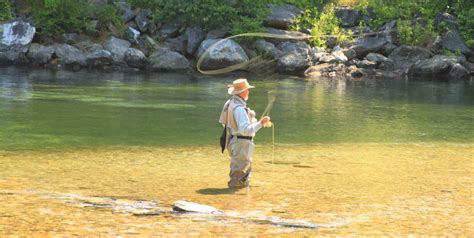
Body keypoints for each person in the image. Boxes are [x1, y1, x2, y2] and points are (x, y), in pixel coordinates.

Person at [219, 78, 271, 189]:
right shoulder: (239, 109)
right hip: (241, 143)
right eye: (247, 89)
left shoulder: (230, 103)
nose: (248, 92)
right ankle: (235, 200)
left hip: (233, 140)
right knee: (239, 174)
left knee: (241, 172)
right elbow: (246, 130)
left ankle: (240, 197)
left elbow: (226, 123)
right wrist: (261, 123)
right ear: (242, 92)